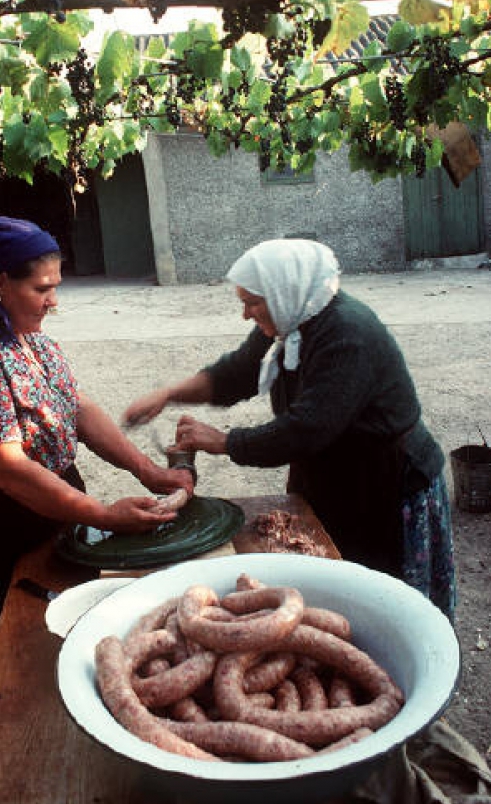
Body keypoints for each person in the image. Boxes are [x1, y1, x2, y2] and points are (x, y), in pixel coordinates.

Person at [123, 238, 457, 622]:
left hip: (385, 480)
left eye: (252, 302)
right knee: (333, 582)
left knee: (380, 594)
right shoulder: (292, 319)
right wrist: (169, 395)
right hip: (334, 474)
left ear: (283, 291)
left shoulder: (348, 334)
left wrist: (223, 441)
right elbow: (236, 373)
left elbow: (306, 430)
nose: (246, 314)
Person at [0, 216, 193, 620]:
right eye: (41, 289)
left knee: (58, 627)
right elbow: (6, 470)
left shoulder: (30, 338)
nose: (53, 301)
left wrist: (146, 470)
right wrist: (103, 514)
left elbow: (76, 408)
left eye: (55, 287)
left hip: (44, 513)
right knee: (5, 643)